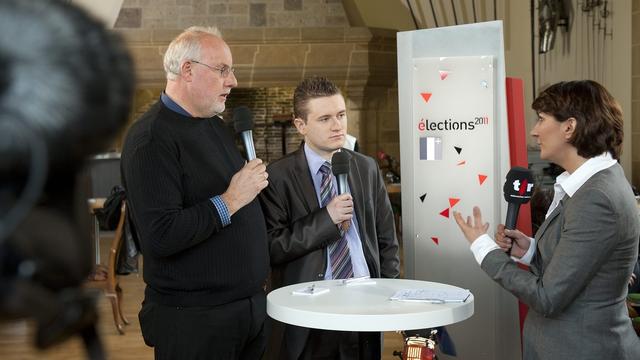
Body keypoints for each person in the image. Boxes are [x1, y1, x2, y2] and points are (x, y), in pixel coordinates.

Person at [454, 80, 640, 359]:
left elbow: (547, 297)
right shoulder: (593, 184)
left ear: (569, 127)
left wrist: (484, 249)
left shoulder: (596, 197)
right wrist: (529, 250)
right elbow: (581, 267)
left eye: (541, 119)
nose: (534, 131)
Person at [121, 26, 270, 359]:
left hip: (247, 310)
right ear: (187, 70)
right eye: (222, 70)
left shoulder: (211, 124)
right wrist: (231, 199)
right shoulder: (150, 139)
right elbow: (161, 235)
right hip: (194, 320)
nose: (232, 81)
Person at [260, 76, 400, 359]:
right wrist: (326, 218)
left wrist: (387, 294)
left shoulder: (366, 167)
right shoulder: (277, 176)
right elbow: (272, 247)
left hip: (365, 304)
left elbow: (386, 240)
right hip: (309, 310)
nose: (337, 125)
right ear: (301, 125)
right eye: (324, 118)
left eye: (341, 115)